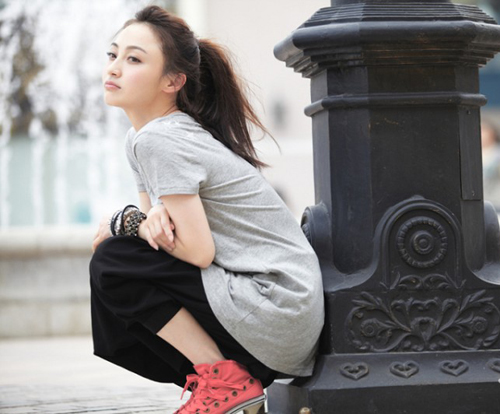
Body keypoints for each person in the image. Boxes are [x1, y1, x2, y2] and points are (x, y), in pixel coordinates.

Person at [90, 5, 324, 414]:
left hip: (275, 306)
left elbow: (197, 252)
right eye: (113, 54)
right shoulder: (144, 138)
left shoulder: (162, 139)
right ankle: (228, 385)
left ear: (173, 81)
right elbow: (155, 237)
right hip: (275, 312)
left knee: (114, 260)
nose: (114, 67)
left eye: (134, 59)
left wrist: (122, 223)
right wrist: (141, 224)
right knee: (122, 258)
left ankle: (224, 380)